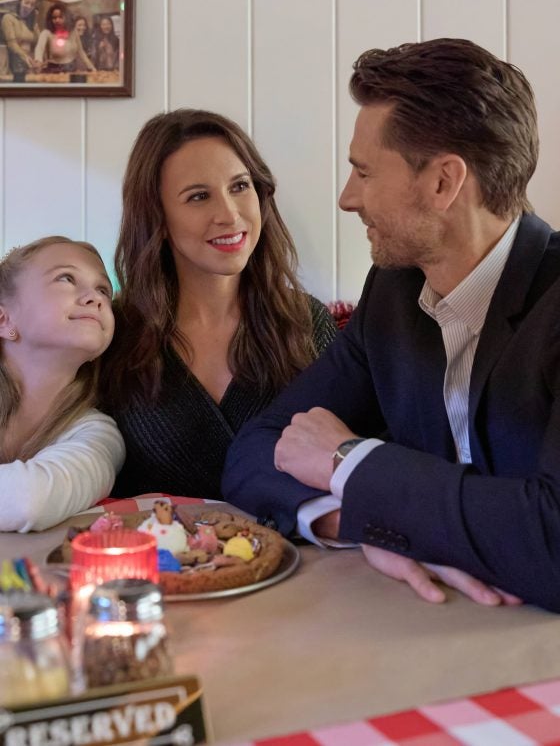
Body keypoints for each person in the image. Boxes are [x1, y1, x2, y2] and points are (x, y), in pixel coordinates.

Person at [222, 37, 560, 613]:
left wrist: (349, 463)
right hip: (429, 622)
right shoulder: (393, 292)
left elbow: (551, 542)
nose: (347, 198)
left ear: (443, 182)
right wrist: (358, 521)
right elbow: (258, 447)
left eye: (363, 172)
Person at [100, 109, 337, 500]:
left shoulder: (307, 322)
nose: (229, 214)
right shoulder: (111, 336)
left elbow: (354, 458)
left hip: (297, 541)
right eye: (198, 196)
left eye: (240, 186)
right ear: (157, 217)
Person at [0, 236, 125, 532]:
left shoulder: (98, 433)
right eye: (66, 278)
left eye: (103, 290)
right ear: (4, 320)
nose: (95, 298)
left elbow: (28, 501)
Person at [34, 1, 95, 74]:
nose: (57, 20)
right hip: (54, 71)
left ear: (66, 17)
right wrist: (38, 61)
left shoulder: (73, 32)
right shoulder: (46, 33)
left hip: (72, 70)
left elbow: (81, 52)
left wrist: (91, 68)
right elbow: (39, 48)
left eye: (60, 17)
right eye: (54, 18)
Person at [1, 0, 41, 82]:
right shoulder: (8, 18)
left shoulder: (31, 22)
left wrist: (35, 20)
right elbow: (11, 43)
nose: (29, 7)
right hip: (14, 64)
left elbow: (37, 42)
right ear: (20, 2)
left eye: (32, 5)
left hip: (29, 65)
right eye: (26, 3)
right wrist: (25, 57)